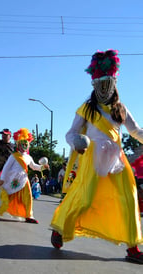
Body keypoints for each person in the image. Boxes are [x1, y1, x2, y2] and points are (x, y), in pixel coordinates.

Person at [50, 50, 143, 264]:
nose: (103, 87)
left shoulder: (120, 108)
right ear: (94, 83)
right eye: (99, 83)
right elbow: (70, 134)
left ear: (113, 82)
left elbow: (136, 131)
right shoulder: (86, 109)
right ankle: (60, 229)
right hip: (92, 159)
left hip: (117, 161)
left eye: (107, 82)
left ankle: (132, 248)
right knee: (85, 199)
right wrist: (76, 142)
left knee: (129, 199)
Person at [0, 128, 48, 223]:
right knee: (4, 195)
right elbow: (6, 168)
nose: (24, 146)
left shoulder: (28, 157)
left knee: (28, 196)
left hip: (24, 180)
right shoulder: (13, 156)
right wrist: (2, 178)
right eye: (22, 144)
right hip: (11, 179)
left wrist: (43, 167)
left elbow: (34, 166)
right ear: (18, 145)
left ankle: (29, 216)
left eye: (26, 144)